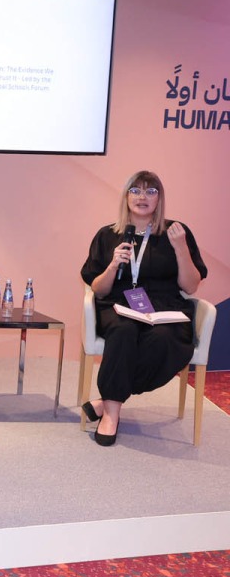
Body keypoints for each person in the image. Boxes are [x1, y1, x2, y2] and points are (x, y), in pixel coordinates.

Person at [79, 170, 206, 446]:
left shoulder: (176, 232)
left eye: (151, 191)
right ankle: (111, 415)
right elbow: (97, 288)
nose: (142, 197)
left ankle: (107, 400)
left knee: (164, 342)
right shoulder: (107, 235)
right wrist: (113, 264)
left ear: (160, 199)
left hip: (165, 308)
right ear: (126, 197)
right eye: (135, 190)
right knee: (123, 333)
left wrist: (181, 248)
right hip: (119, 306)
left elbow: (191, 286)